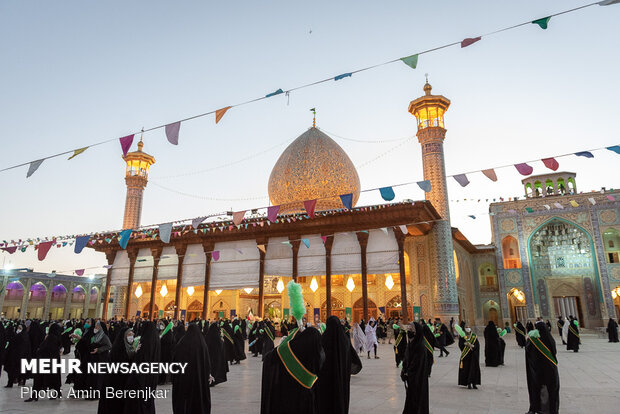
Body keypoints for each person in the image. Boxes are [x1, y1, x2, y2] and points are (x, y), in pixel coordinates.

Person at [260, 281, 324, 414]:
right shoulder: (317, 354)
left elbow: (270, 359)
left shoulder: (289, 350)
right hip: (305, 399)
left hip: (288, 398)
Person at [316, 316, 353, 414]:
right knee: (340, 398)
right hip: (341, 378)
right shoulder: (345, 341)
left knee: (326, 403)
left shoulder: (324, 340)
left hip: (326, 380)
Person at [172, 323, 212, 414]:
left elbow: (175, 360)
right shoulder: (202, 344)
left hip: (184, 379)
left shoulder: (182, 342)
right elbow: (206, 362)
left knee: (184, 401)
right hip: (199, 378)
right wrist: (208, 373)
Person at [124, 321, 161, 414]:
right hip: (153, 374)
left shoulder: (144, 340)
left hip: (142, 376)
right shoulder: (156, 339)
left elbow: (140, 359)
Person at [97, 327, 137, 413]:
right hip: (115, 382)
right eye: (129, 335)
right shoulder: (118, 348)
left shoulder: (130, 347)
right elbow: (122, 362)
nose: (132, 336)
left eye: (132, 334)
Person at [525, 321, 559, 414]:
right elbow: (554, 352)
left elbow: (529, 353)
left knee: (539, 389)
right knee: (550, 390)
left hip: (538, 370)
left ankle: (539, 408)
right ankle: (550, 409)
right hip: (551, 369)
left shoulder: (534, 341)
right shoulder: (550, 339)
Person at [25, 323, 63, 402]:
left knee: (39, 378)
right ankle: (57, 393)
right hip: (53, 361)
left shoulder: (51, 337)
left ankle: (35, 395)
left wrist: (39, 349)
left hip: (45, 361)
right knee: (54, 378)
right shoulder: (57, 337)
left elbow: (44, 349)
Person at [400, 322, 429, 414]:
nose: (409, 331)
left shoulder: (420, 346)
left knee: (417, 398)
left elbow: (417, 364)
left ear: (416, 332)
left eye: (411, 330)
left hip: (417, 379)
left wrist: (409, 372)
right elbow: (406, 359)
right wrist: (404, 370)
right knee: (410, 398)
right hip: (411, 378)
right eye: (408, 329)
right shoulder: (410, 344)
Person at [3, 323, 30, 388]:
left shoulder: (23, 336)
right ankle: (12, 382)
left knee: (15, 370)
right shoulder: (17, 335)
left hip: (18, 356)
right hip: (14, 356)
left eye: (20, 328)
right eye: (18, 328)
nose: (18, 329)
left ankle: (15, 381)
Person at [457, 324, 480, 390]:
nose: (468, 328)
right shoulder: (462, 336)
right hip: (466, 356)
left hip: (473, 355)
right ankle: (468, 383)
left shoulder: (474, 336)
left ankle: (474, 383)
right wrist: (464, 344)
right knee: (467, 369)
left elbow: (477, 345)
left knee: (473, 369)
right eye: (466, 327)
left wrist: (473, 346)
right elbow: (460, 344)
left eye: (468, 327)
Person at [158, 320, 174, 385]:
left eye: (162, 324)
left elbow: (169, 343)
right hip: (160, 352)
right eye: (160, 324)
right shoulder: (160, 332)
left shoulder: (169, 333)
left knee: (164, 366)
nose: (160, 325)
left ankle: (162, 380)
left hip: (166, 353)